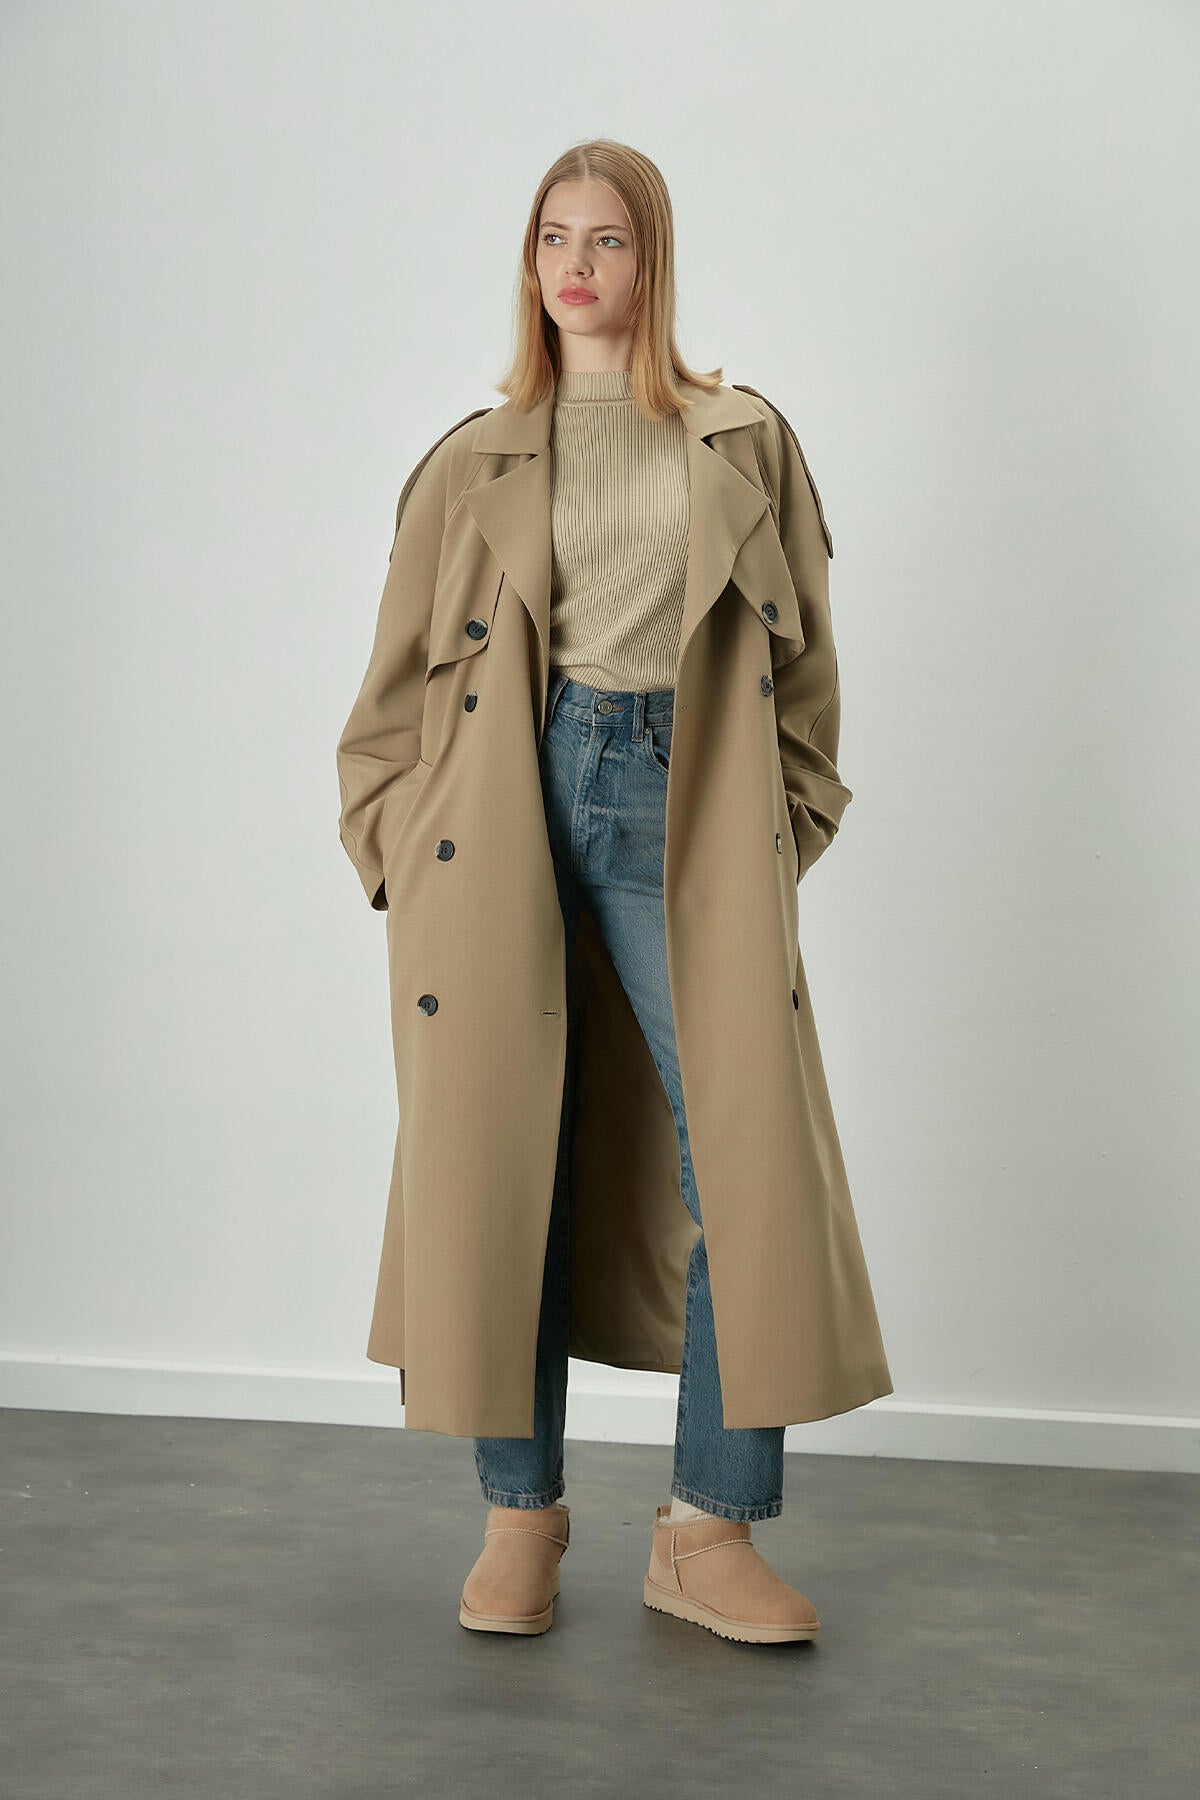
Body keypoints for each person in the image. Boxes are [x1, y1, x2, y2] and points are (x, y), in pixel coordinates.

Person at [336, 139, 891, 1645]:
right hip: (498, 817)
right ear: (528, 265)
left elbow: (807, 669)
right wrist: (395, 849)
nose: (577, 267)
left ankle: (709, 1531)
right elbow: (388, 695)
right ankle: (520, 1518)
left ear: (654, 261)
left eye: (609, 240)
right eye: (553, 240)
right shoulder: (473, 459)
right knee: (504, 1163)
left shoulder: (743, 438)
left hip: (684, 802)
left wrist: (783, 832)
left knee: (745, 1170)